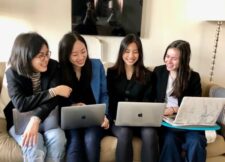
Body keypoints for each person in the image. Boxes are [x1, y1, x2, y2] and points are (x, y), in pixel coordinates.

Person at [4, 32, 72, 162]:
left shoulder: (53, 66)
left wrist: (36, 119)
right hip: (21, 122)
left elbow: (54, 101)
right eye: (41, 56)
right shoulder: (12, 73)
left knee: (58, 139)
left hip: (47, 119)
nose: (46, 59)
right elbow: (21, 104)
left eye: (47, 54)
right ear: (26, 56)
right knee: (33, 144)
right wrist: (53, 91)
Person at [58, 31, 109, 162]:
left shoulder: (97, 66)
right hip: (72, 121)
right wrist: (72, 106)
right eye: (75, 54)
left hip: (94, 119)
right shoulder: (60, 71)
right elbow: (57, 101)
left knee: (91, 140)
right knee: (74, 144)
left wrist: (105, 115)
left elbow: (104, 94)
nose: (81, 57)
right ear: (66, 55)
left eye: (83, 51)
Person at [107, 33, 158, 162]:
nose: (131, 56)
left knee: (150, 133)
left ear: (140, 53)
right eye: (127, 51)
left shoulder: (148, 75)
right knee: (125, 132)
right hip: (118, 121)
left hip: (141, 121)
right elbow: (109, 98)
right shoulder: (112, 73)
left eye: (135, 52)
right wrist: (113, 117)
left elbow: (148, 101)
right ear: (121, 52)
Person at [152, 40, 207, 162]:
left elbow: (195, 106)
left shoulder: (193, 77)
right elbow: (151, 97)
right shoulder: (158, 72)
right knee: (169, 141)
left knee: (196, 142)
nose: (169, 61)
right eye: (167, 56)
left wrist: (172, 109)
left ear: (183, 60)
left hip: (188, 122)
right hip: (166, 123)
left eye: (174, 59)